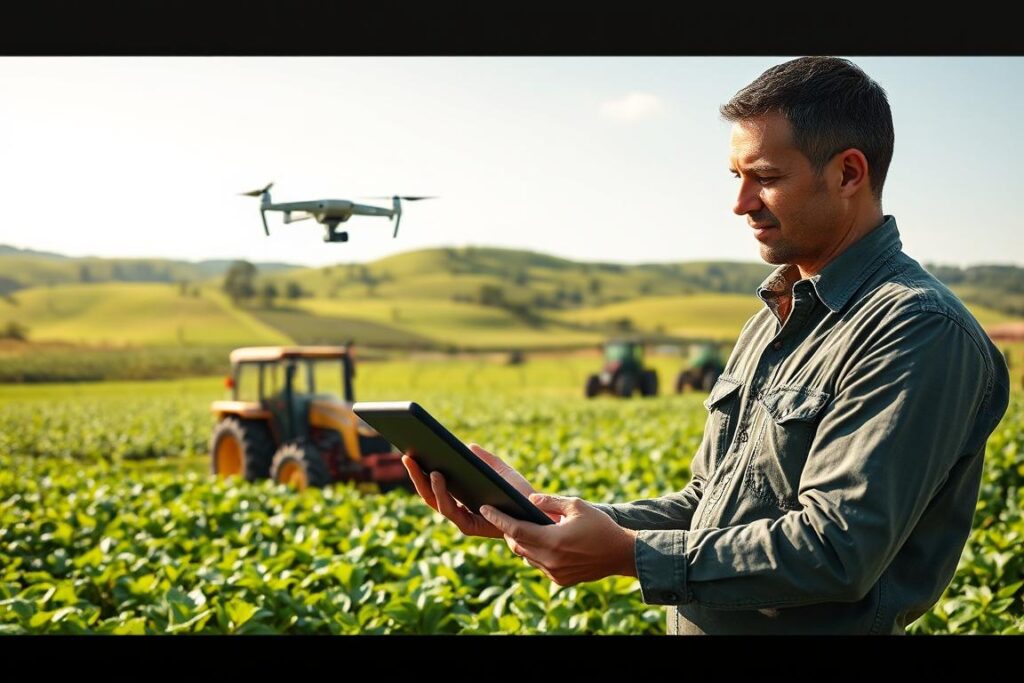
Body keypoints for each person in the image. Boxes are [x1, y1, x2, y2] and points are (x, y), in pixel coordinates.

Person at [401, 56, 1011, 635]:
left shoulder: (914, 328)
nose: (740, 203)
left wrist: (629, 555)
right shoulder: (771, 320)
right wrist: (539, 515)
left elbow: (836, 550)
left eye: (766, 179)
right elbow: (710, 506)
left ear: (849, 173)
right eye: (737, 177)